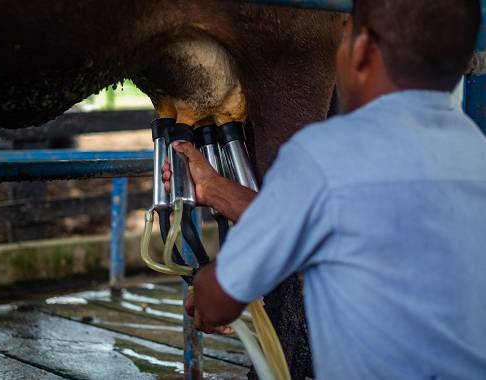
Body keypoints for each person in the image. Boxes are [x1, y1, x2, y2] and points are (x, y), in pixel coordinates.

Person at [164, 0, 486, 378]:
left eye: (344, 33)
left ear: (362, 50)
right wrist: (215, 188)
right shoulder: (476, 151)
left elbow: (219, 302)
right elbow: (322, 218)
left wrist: (201, 288)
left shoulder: (323, 155)